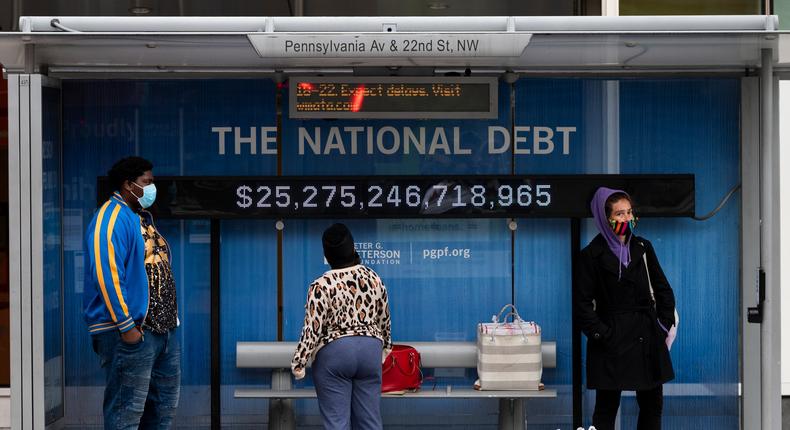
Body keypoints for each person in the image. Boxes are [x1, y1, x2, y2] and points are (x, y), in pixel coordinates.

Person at [84, 156, 180, 429]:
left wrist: (171, 323)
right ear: (128, 185)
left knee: (161, 413)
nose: (152, 188)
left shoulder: (140, 218)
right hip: (132, 333)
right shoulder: (110, 218)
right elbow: (108, 276)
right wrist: (128, 328)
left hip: (162, 332)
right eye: (147, 182)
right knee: (126, 414)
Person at [575, 187, 676, 430]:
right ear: (604, 217)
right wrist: (603, 334)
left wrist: (661, 326)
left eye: (629, 212)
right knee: (606, 409)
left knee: (652, 405)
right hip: (612, 339)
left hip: (647, 335)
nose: (627, 219)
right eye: (620, 214)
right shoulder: (591, 255)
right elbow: (582, 304)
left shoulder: (643, 247)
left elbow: (663, 290)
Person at [292, 223, 392, 430]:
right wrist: (385, 348)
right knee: (370, 422)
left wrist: (299, 362)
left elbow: (312, 328)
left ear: (327, 256)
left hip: (335, 354)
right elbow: (384, 318)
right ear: (353, 249)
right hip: (370, 351)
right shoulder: (373, 278)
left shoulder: (321, 285)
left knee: (337, 423)